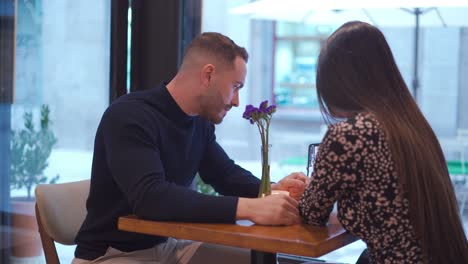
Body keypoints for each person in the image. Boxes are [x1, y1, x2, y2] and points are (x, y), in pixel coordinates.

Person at [73, 32, 308, 264]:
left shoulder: (199, 122)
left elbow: (225, 175)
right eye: (235, 86)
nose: (237, 101)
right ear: (208, 75)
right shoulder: (129, 116)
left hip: (166, 247)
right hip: (111, 254)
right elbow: (151, 198)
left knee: (254, 261)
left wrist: (272, 189)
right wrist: (252, 208)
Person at [299, 21, 468, 263]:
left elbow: (311, 212)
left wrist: (305, 189)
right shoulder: (411, 125)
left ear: (338, 83)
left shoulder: (349, 135)